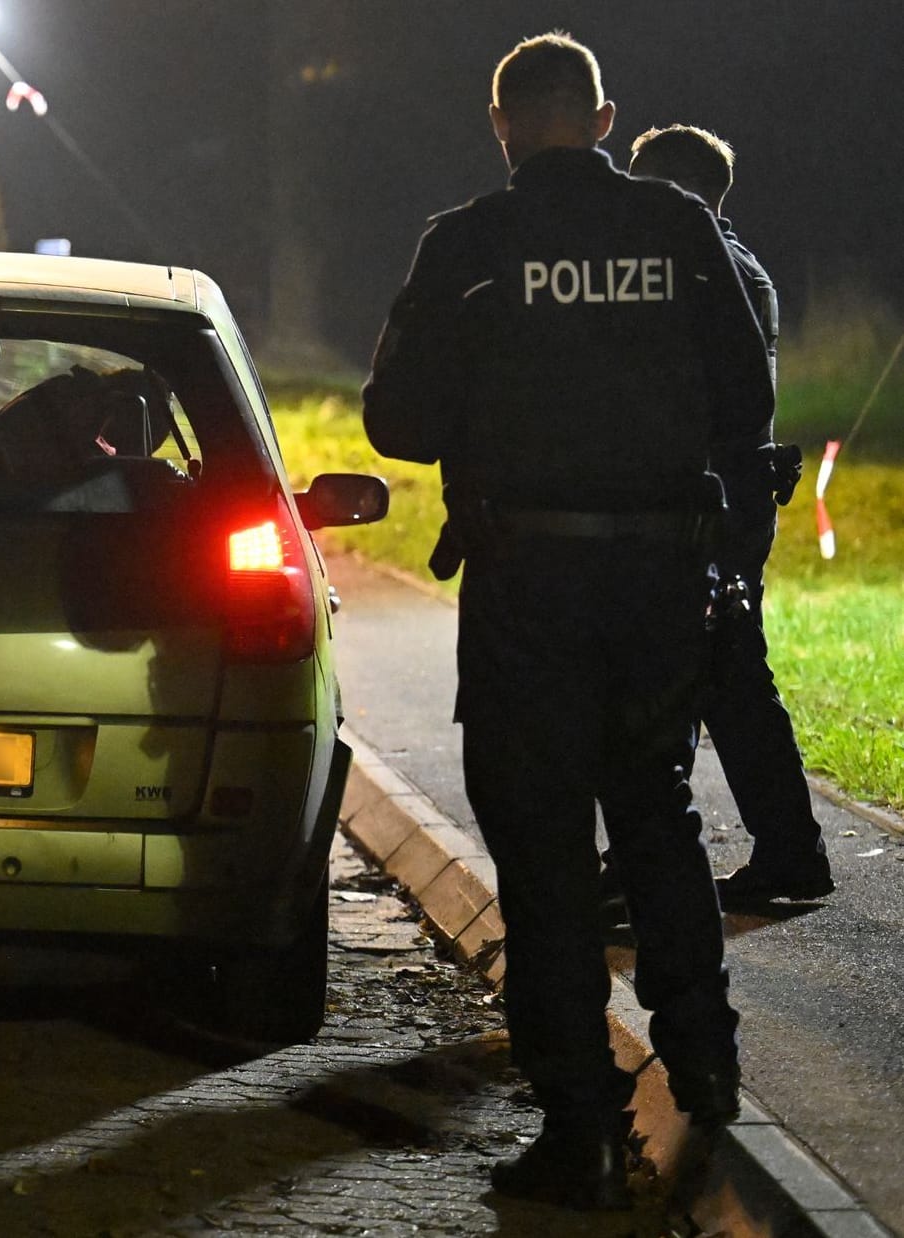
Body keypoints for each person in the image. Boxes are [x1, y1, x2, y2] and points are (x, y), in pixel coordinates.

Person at [362, 34, 773, 1211]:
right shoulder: (681, 231)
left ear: (500, 124)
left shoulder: (469, 242)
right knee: (656, 807)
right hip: (656, 576)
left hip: (526, 579)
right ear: (599, 118)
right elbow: (745, 398)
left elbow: (398, 419)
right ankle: (704, 1056)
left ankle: (581, 1125)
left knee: (541, 847)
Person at [627, 125, 834, 910]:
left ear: (677, 192)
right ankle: (759, 852)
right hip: (730, 497)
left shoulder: (709, 272)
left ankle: (787, 853)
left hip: (711, 503)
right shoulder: (736, 265)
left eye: (644, 187)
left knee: (724, 676)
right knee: (708, 674)